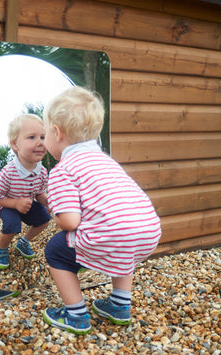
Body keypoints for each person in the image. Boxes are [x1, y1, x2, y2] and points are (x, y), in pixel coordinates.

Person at [41, 86, 162, 334]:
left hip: (114, 234)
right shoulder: (107, 161)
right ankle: (119, 305)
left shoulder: (63, 169)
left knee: (55, 250)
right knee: (123, 241)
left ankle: (75, 315)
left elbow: (71, 222)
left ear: (56, 132)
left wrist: (55, 211)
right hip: (148, 232)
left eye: (44, 135)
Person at [0, 113, 52, 269]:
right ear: (15, 145)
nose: (40, 142)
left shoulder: (42, 172)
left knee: (44, 219)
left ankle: (23, 242)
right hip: (8, 205)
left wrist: (46, 202)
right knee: (12, 224)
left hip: (26, 204)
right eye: (32, 137)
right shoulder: (8, 172)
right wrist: (16, 203)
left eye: (43, 137)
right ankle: (2, 249)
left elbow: (39, 193)